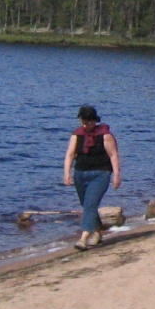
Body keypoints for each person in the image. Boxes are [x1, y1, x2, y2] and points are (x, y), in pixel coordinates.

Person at [63, 105, 120, 250]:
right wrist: (66, 173)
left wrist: (116, 175)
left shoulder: (105, 135)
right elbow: (70, 154)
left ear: (94, 120)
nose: (85, 125)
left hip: (100, 174)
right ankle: (97, 233)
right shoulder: (77, 135)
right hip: (80, 174)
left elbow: (113, 155)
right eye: (83, 121)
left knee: (90, 205)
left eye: (88, 122)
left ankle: (83, 239)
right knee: (88, 205)